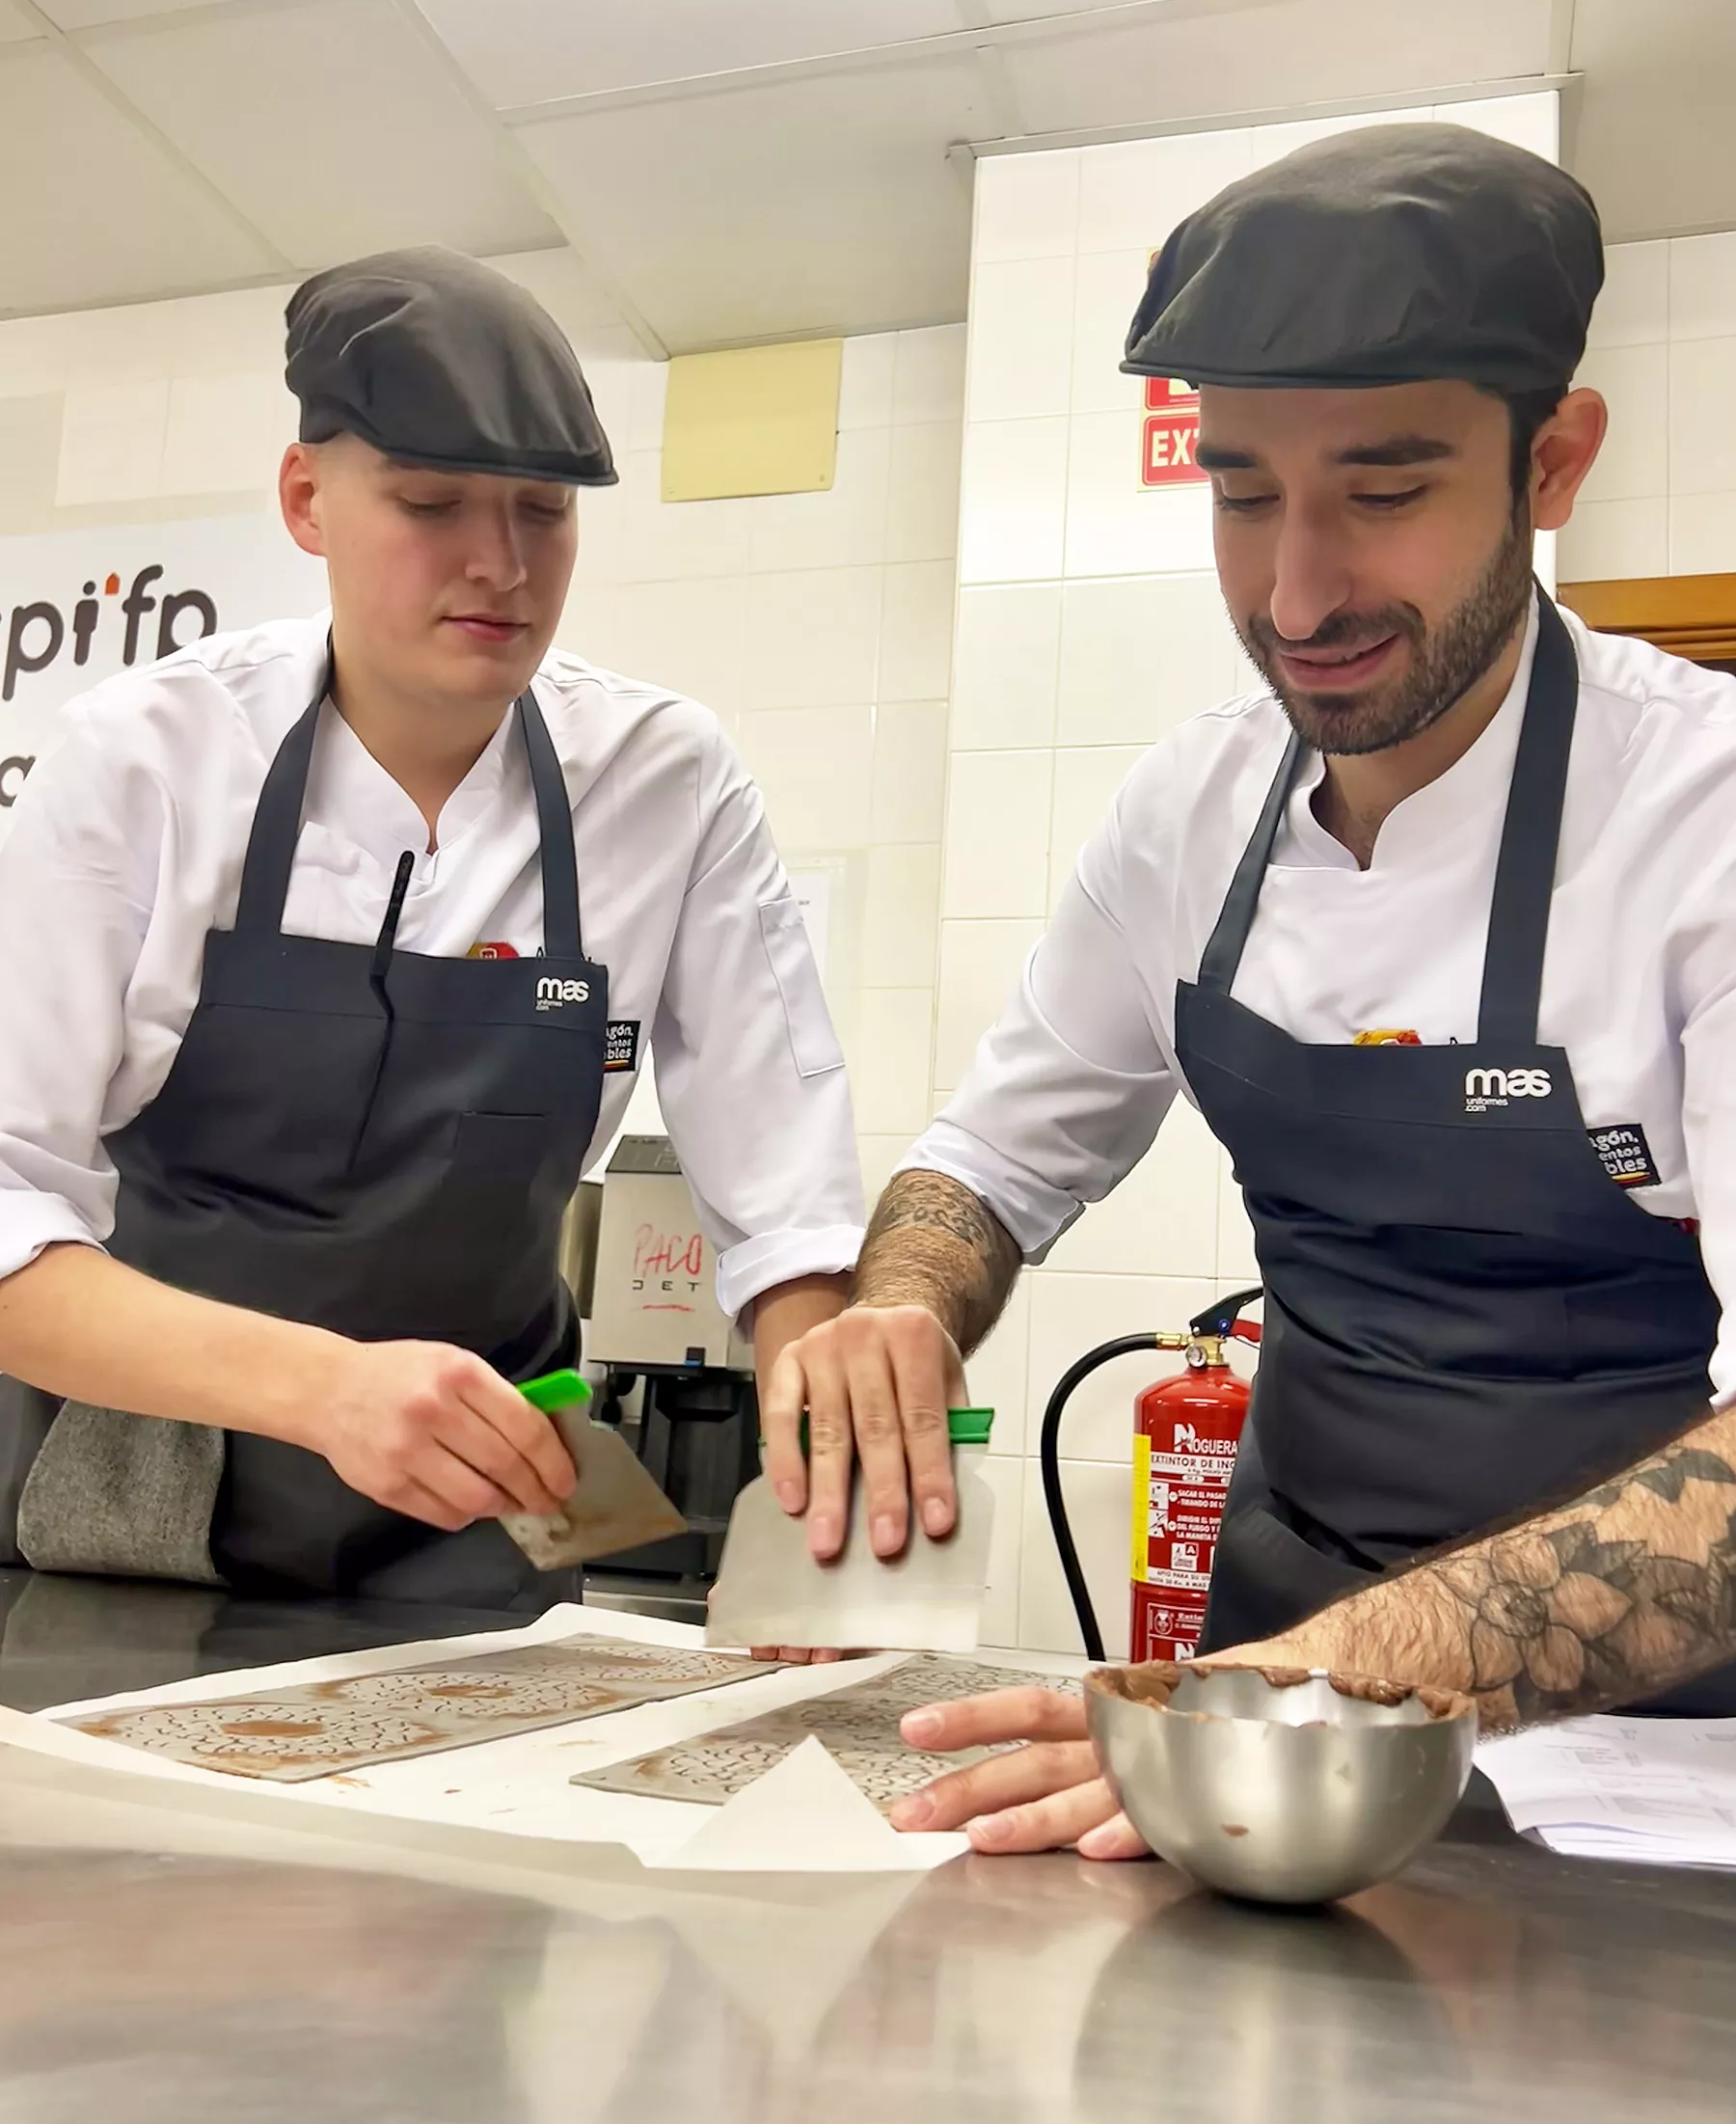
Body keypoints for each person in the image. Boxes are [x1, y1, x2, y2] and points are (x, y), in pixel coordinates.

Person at [761, 123, 1736, 1849]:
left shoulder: (1702, 821)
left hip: (1642, 1751)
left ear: (1554, 461)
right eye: (1239, 494)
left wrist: (1312, 1689)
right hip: (1270, 1660)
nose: (1296, 591)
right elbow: (990, 1158)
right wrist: (907, 1307)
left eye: (1383, 490)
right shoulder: (1191, 810)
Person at [0, 246, 862, 1609]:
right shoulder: (148, 760)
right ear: (307, 499)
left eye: (545, 510)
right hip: (158, 1481)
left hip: (504, 1481)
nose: (501, 563)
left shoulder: (662, 776)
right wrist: (326, 1387)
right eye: (429, 502)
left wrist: (834, 1436)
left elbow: (787, 1185)